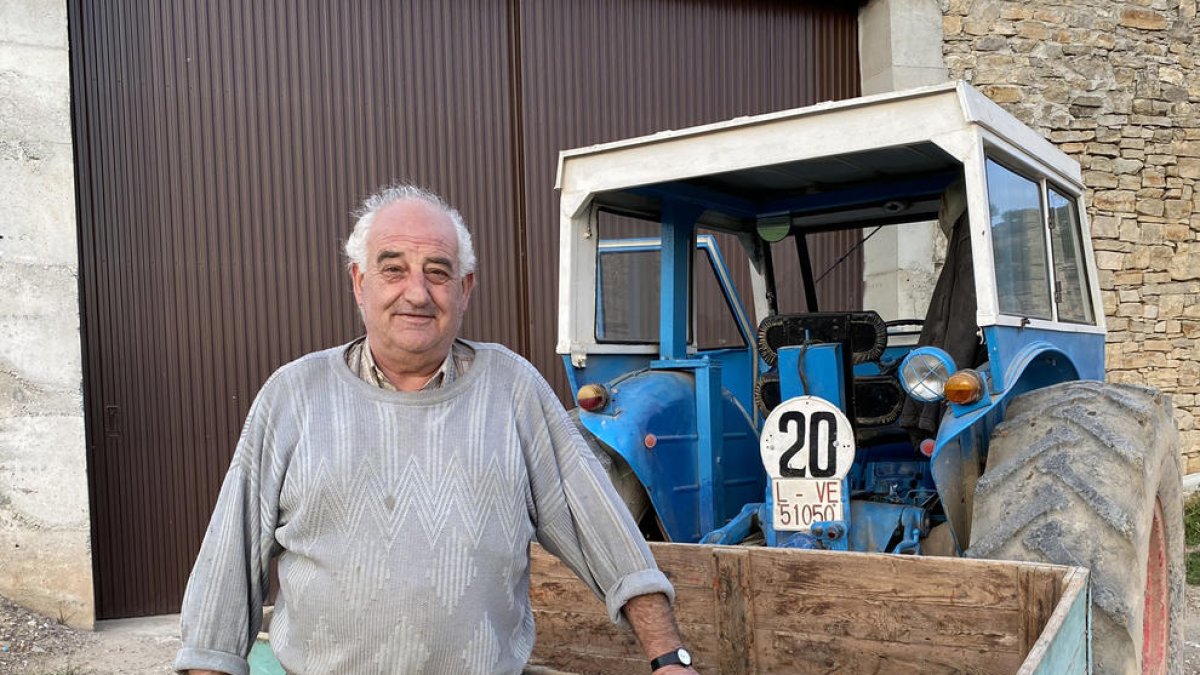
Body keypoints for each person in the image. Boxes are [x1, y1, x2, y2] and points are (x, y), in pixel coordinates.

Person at [174, 184, 698, 675]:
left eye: (438, 271)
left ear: (465, 289)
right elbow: (228, 565)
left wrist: (669, 657)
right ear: (360, 282)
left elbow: (603, 532)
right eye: (393, 269)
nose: (417, 293)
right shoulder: (292, 395)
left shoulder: (512, 389)